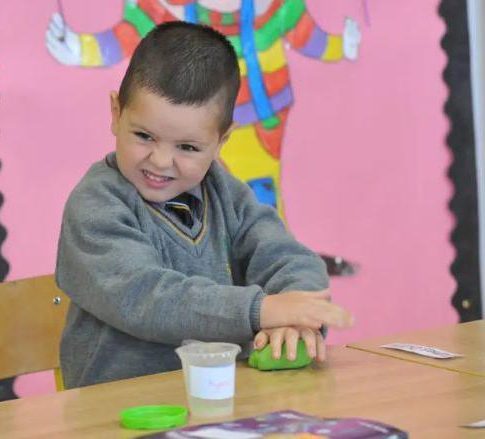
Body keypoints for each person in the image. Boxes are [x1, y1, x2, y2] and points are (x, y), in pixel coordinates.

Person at [56, 21, 353, 389]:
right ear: (116, 114)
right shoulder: (96, 205)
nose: (161, 161)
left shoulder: (222, 189)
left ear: (220, 141)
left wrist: (294, 315)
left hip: (224, 404)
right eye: (144, 136)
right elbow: (149, 298)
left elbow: (287, 255)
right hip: (117, 413)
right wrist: (262, 311)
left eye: (188, 147)